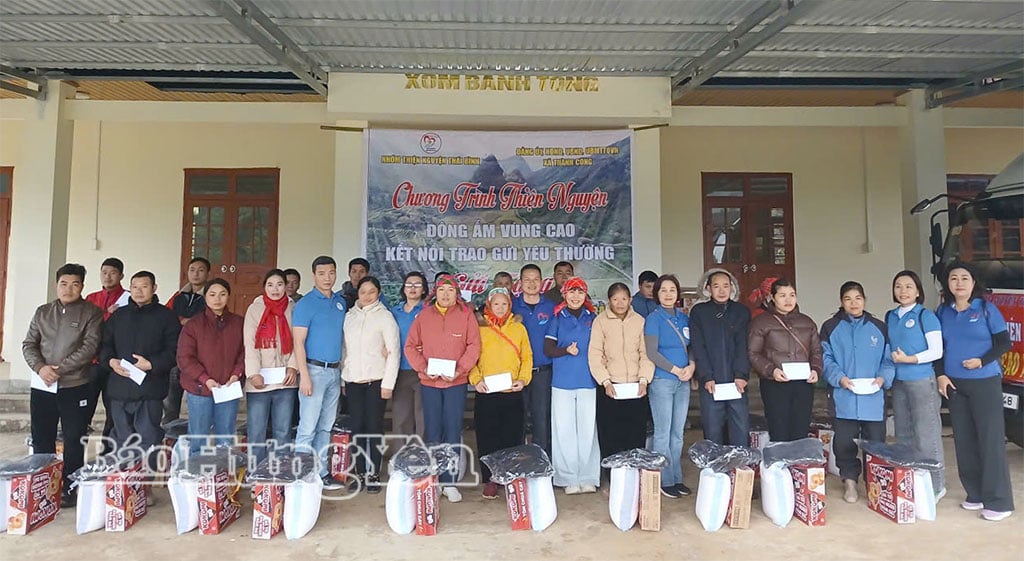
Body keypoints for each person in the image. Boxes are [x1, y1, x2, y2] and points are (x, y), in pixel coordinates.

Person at [935, 261, 1014, 521]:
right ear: (947, 283)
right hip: (955, 385)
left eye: (964, 278)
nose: (959, 283)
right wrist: (941, 375)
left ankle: (999, 502)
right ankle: (976, 493)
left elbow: (1004, 343)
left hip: (984, 381)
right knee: (964, 440)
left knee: (990, 441)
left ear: (973, 283)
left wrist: (982, 360)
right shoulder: (942, 312)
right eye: (954, 278)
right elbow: (938, 348)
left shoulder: (986, 309)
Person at [22, 263, 103, 507]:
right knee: (41, 437)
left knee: (74, 438)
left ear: (82, 286)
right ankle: (43, 486)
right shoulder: (43, 312)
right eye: (63, 284)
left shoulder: (91, 313)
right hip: (43, 385)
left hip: (75, 385)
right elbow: (29, 344)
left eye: (74, 284)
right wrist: (41, 368)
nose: (68, 289)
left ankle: (70, 488)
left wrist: (60, 369)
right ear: (56, 285)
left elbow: (89, 347)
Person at [405, 273, 481, 503]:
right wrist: (423, 369)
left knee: (452, 430)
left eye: (450, 291)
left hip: (455, 383)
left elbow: (473, 345)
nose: (446, 295)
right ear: (435, 292)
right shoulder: (424, 316)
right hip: (430, 383)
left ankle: (449, 481)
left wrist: (459, 370)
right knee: (433, 431)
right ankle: (433, 479)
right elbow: (410, 346)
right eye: (441, 290)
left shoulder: (466, 316)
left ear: (457, 293)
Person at [820, 281, 895, 503]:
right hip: (844, 396)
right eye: (848, 299)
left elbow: (888, 360)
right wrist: (839, 378)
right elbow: (826, 358)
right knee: (844, 442)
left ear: (865, 300)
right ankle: (850, 482)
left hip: (873, 397)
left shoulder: (879, 327)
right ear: (841, 302)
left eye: (858, 298)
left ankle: (875, 484)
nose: (853, 303)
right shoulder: (830, 327)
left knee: (876, 443)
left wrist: (883, 378)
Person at [100, 271, 180, 474]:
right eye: (134, 286)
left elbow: (175, 351)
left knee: (149, 436)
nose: (139, 291)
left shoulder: (166, 316)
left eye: (144, 286)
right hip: (119, 387)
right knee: (121, 438)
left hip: (150, 388)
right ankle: (124, 484)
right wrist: (111, 361)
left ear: (154, 288)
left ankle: (145, 485)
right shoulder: (119, 315)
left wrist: (152, 364)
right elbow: (104, 345)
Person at [886, 270, 945, 498]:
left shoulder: (926, 316)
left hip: (921, 380)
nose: (903, 291)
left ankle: (935, 486)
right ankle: (910, 482)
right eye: (898, 286)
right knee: (903, 433)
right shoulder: (891, 316)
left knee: (926, 434)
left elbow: (936, 351)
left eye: (908, 286)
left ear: (918, 291)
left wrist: (910, 359)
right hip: (899, 382)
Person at [470, 287, 532, 499]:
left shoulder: (518, 328)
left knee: (512, 437)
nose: (500, 307)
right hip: (487, 393)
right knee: (488, 437)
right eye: (496, 304)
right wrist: (476, 381)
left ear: (510, 305)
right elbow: (471, 358)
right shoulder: (480, 328)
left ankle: (510, 476)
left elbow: (527, 358)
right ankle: (490, 479)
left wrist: (523, 379)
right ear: (489, 304)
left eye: (504, 304)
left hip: (512, 392)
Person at [291, 255, 347, 490]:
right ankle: (301, 476)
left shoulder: (340, 302)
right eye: (322, 273)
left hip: (334, 372)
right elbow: (298, 342)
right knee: (308, 427)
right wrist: (304, 375)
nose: (327, 278)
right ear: (314, 275)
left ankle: (322, 472)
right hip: (313, 371)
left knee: (326, 426)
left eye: (331, 273)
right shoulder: (305, 304)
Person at [341, 276, 400, 494]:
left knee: (374, 428)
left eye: (372, 292)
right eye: (363, 291)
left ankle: (373, 472)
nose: (367, 296)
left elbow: (393, 351)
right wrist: (343, 377)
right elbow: (344, 349)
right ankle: (359, 472)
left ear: (378, 293)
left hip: (376, 381)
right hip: (353, 381)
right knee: (357, 428)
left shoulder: (385, 317)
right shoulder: (350, 317)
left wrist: (388, 384)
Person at [748, 278, 823, 442]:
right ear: (772, 298)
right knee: (778, 427)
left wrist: (816, 369)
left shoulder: (807, 322)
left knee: (801, 427)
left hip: (803, 383)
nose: (788, 300)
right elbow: (753, 353)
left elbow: (816, 351)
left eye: (792, 295)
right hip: (775, 383)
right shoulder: (761, 322)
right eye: (782, 295)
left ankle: (798, 465)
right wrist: (771, 370)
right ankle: (780, 465)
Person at [176, 279, 245, 454]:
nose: (217, 299)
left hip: (228, 388)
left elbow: (245, 353)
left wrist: (236, 374)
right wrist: (205, 379)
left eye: (222, 294)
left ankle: (223, 476)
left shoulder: (238, 323)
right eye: (212, 294)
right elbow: (184, 358)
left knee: (226, 436)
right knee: (198, 437)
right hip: (200, 388)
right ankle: (196, 477)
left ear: (228, 296)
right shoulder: (194, 325)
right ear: (205, 297)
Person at [588, 282, 654, 467]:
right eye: (615, 299)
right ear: (609, 300)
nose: (620, 303)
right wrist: (605, 381)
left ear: (630, 299)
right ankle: (613, 476)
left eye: (624, 299)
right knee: (611, 433)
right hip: (611, 387)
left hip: (636, 387)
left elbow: (646, 352)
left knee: (635, 433)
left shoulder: (640, 321)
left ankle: (634, 474)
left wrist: (644, 380)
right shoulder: (600, 321)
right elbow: (595, 354)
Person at [545, 276, 600, 495]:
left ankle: (587, 476)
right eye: (571, 292)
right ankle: (568, 478)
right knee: (564, 430)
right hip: (562, 382)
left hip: (588, 380)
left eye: (580, 292)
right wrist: (565, 350)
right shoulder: (558, 318)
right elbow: (548, 349)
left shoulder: (593, 318)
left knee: (587, 430)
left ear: (585, 295)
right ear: (564, 294)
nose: (576, 296)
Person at [643, 274, 695, 498]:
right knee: (662, 434)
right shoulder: (653, 319)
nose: (668, 294)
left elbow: (692, 347)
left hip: (683, 382)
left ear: (677, 294)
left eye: (672, 290)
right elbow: (652, 352)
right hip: (663, 381)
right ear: (657, 294)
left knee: (678, 433)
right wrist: (675, 370)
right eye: (663, 290)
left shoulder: (684, 318)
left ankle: (676, 478)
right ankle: (663, 479)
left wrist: (692, 366)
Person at [689, 268, 751, 446]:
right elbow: (698, 347)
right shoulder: (699, 312)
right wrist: (706, 376)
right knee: (712, 429)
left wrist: (741, 374)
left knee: (740, 427)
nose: (722, 290)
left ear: (732, 287)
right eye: (716, 286)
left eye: (726, 285)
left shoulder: (741, 312)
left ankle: (740, 469)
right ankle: (714, 470)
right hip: (711, 382)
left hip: (736, 381)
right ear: (708, 288)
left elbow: (744, 345)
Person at [244, 269, 299, 466]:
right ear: (264, 287)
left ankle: (280, 471)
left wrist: (293, 368)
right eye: (270, 285)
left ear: (286, 286)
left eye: (279, 284)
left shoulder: (293, 309)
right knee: (257, 430)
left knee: (283, 430)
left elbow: (298, 342)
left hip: (285, 380)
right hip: (260, 381)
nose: (275, 289)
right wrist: (253, 374)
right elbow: (249, 344)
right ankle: (256, 473)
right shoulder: (255, 309)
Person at [512, 263, 557, 457]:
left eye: (535, 279)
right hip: (515, 372)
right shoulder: (510, 305)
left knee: (542, 419)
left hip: (542, 371)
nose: (531, 283)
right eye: (527, 280)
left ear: (542, 282)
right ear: (520, 283)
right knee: (516, 419)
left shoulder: (551, 307)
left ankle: (542, 461)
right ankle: (516, 462)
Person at [84, 256, 128, 446]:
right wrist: (106, 313)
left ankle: (108, 449)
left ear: (121, 275)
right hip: (93, 360)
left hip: (115, 360)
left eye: (112, 273)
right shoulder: (91, 298)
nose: (108, 277)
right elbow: (86, 324)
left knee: (113, 408)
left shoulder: (128, 297)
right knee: (85, 405)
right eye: (104, 273)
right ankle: (78, 444)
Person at [163, 256, 211, 424]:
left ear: (208, 274)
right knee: (171, 392)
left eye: (201, 270)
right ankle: (169, 429)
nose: (196, 274)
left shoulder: (210, 295)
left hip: (200, 354)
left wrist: (186, 322)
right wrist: (182, 322)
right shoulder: (178, 296)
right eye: (192, 270)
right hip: (176, 350)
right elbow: (166, 316)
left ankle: (198, 428)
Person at [390, 271, 428, 438]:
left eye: (417, 285)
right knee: (401, 418)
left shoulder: (429, 312)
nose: (413, 288)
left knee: (423, 418)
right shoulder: (394, 312)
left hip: (423, 370)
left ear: (424, 290)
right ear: (403, 289)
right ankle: (401, 461)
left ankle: (422, 459)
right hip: (400, 369)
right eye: (409, 284)